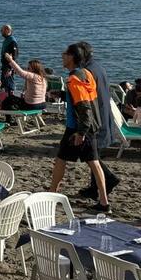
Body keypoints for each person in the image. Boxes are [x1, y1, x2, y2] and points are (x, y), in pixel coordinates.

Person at [49, 42, 110, 214]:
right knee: (91, 163)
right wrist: (63, 94)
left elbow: (84, 107)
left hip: (77, 128)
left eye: (64, 54)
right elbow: (86, 99)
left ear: (72, 57)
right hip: (87, 126)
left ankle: (52, 194)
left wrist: (81, 133)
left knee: (63, 160)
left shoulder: (74, 78)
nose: (62, 56)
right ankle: (104, 202)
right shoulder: (86, 74)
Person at [78, 41, 120, 197]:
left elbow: (86, 99)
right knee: (93, 152)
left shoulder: (87, 71)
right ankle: (95, 187)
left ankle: (109, 178)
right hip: (103, 112)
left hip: (95, 116)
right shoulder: (98, 68)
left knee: (91, 154)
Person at [0, 25, 19, 96]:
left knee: (9, 85)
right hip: (5, 66)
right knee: (4, 85)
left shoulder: (12, 41)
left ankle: (10, 99)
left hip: (9, 67)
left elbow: (15, 56)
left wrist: (10, 69)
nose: (1, 32)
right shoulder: (7, 40)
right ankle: (5, 100)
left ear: (7, 30)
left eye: (2, 30)